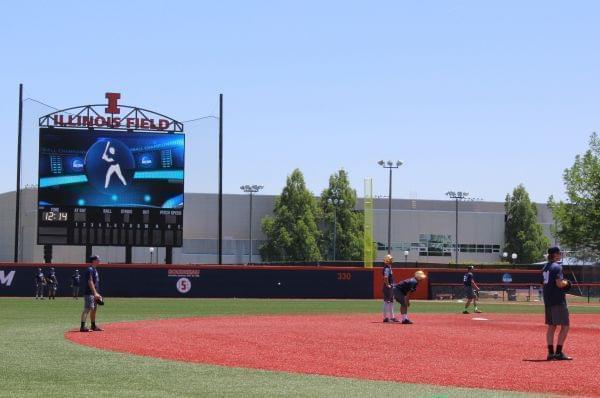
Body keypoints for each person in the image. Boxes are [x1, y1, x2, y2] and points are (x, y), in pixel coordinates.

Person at [542, 246, 572, 360]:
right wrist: (567, 283)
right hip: (558, 300)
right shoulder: (557, 267)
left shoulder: (545, 267)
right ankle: (559, 352)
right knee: (565, 326)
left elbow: (543, 283)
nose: (560, 254)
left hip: (548, 300)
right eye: (559, 253)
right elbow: (559, 283)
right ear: (555, 254)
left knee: (551, 326)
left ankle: (550, 353)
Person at [80, 255, 104, 332]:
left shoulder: (95, 270)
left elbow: (95, 283)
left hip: (94, 293)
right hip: (89, 293)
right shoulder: (89, 269)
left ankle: (93, 326)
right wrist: (95, 293)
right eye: (98, 259)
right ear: (93, 260)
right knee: (87, 309)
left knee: (94, 309)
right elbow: (90, 281)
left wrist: (97, 294)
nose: (99, 260)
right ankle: (82, 327)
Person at [382, 254, 399, 323]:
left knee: (391, 302)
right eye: (390, 259)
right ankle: (386, 317)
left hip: (390, 286)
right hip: (388, 286)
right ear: (388, 260)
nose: (392, 260)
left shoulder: (389, 267)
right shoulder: (386, 268)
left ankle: (392, 317)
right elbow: (385, 278)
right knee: (387, 301)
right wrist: (388, 285)